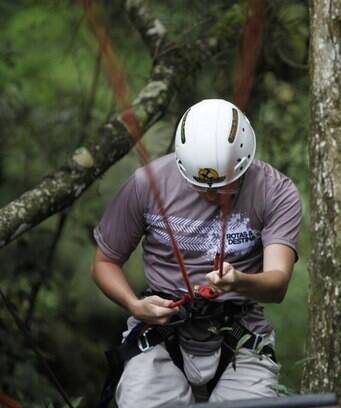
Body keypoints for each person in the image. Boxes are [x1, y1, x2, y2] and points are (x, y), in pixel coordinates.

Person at [92, 99, 302, 406]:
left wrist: (239, 281)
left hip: (240, 335)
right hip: (160, 333)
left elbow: (277, 283)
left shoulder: (274, 192)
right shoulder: (147, 185)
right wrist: (134, 305)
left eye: (224, 187)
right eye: (201, 187)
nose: (211, 195)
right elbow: (104, 262)